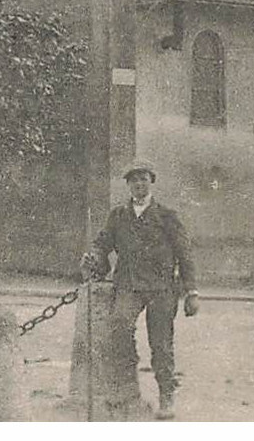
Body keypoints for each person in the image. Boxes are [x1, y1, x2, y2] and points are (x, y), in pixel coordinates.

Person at [81, 157, 198, 420]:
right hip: (129, 285)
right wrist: (94, 258)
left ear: (151, 182)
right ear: (128, 185)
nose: (139, 184)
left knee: (161, 344)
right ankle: (127, 386)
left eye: (143, 178)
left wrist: (191, 292)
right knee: (119, 326)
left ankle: (166, 395)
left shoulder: (167, 216)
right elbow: (103, 244)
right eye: (134, 180)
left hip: (161, 289)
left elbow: (185, 254)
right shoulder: (119, 215)